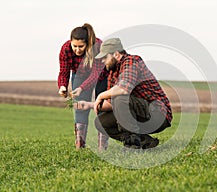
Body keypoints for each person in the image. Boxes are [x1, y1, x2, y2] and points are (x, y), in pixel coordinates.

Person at [75, 38, 172, 149]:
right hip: (140, 113)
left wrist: (101, 95)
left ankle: (132, 145)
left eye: (105, 57)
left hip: (158, 114)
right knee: (101, 122)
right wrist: (89, 105)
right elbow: (113, 104)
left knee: (119, 97)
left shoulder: (132, 61)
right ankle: (143, 141)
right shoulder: (113, 72)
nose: (103, 61)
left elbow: (123, 89)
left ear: (116, 54)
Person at [57, 23, 109, 151]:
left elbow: (96, 74)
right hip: (79, 73)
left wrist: (81, 87)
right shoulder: (65, 49)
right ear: (70, 42)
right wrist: (62, 86)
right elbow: (63, 72)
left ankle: (102, 147)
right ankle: (80, 145)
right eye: (75, 46)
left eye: (81, 46)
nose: (77, 49)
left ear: (87, 44)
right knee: (79, 105)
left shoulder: (97, 47)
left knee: (101, 106)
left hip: (101, 75)